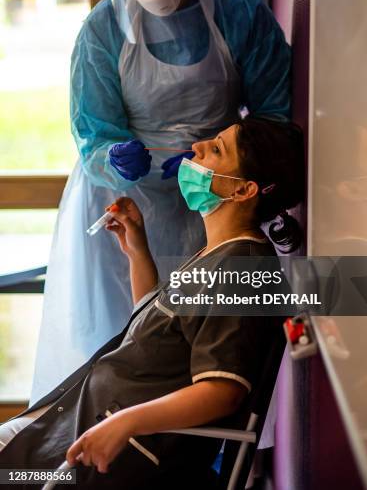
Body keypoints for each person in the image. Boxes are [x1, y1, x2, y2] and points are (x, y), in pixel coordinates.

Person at [31, 0, 292, 403]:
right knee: (122, 339)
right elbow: (92, 131)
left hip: (210, 192)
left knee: (208, 340)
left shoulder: (238, 12)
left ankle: (193, 450)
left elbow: (272, 121)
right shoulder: (102, 30)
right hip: (128, 201)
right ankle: (108, 442)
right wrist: (112, 158)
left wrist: (206, 158)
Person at [1, 118, 304, 489]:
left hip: (107, 455)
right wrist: (137, 249)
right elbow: (162, 328)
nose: (197, 148)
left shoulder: (239, 269)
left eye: (217, 149)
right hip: (81, 420)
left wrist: (124, 422)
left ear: (243, 191)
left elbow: (222, 391)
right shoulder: (219, 254)